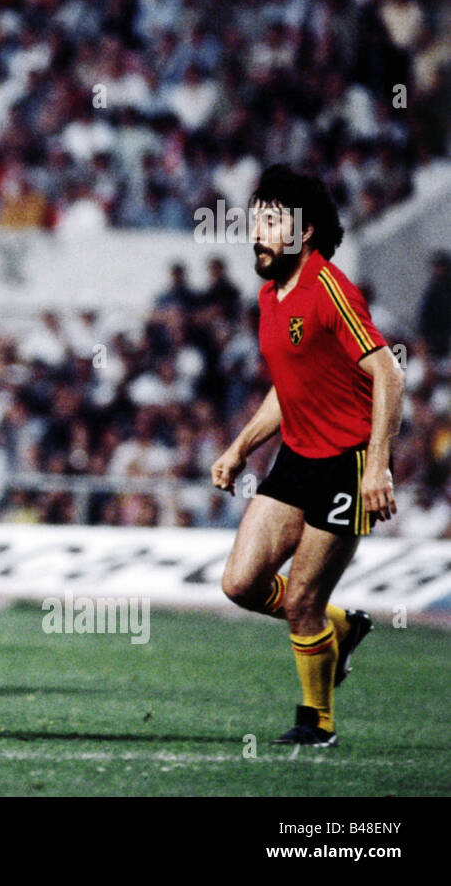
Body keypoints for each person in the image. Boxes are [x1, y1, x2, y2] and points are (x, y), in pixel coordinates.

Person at [211, 165, 404, 747]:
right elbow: (287, 388)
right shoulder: (272, 295)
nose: (259, 231)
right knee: (241, 584)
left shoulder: (328, 288)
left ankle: (316, 724)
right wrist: (241, 446)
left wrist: (376, 465)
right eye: (258, 218)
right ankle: (340, 628)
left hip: (345, 462)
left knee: (300, 601)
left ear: (306, 232)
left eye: (274, 220)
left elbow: (388, 375)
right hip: (295, 457)